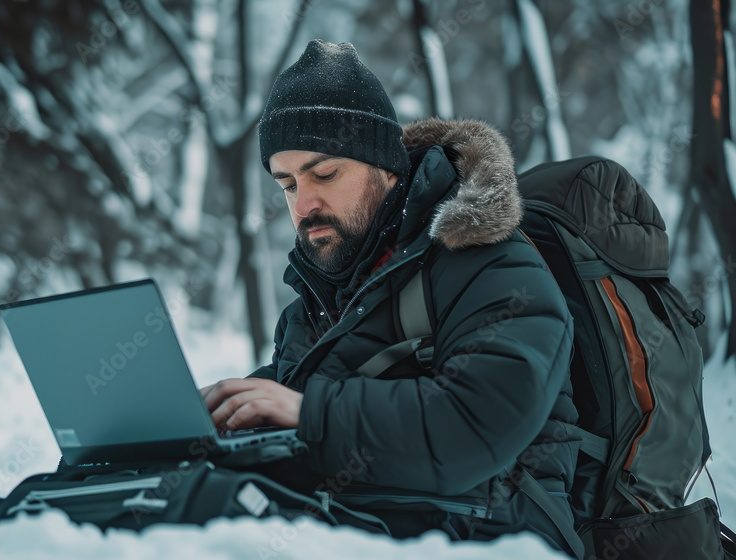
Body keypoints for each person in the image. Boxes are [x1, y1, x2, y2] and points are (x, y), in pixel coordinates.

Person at [200, 39, 579, 555]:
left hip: (498, 537)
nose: (304, 204)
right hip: (371, 526)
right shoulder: (311, 304)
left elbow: (476, 422)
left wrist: (309, 410)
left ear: (385, 166)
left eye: (325, 173)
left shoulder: (490, 264)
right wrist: (225, 417)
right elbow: (301, 429)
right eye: (287, 184)